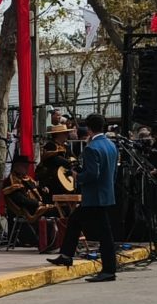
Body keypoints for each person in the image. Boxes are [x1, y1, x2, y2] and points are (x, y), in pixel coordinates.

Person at [48, 113, 118, 282]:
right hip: (105, 194)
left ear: (89, 128)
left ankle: (109, 270)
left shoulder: (91, 148)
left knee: (104, 234)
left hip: (94, 196)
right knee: (75, 220)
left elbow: (92, 174)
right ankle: (66, 255)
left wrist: (77, 176)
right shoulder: (111, 145)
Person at [2, 154, 57, 252]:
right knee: (54, 211)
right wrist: (37, 204)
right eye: (24, 166)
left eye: (27, 166)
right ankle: (48, 242)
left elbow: (37, 192)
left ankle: (55, 241)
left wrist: (43, 190)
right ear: (17, 166)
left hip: (35, 205)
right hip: (25, 209)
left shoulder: (28, 179)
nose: (26, 168)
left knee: (60, 209)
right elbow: (20, 200)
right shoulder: (11, 181)